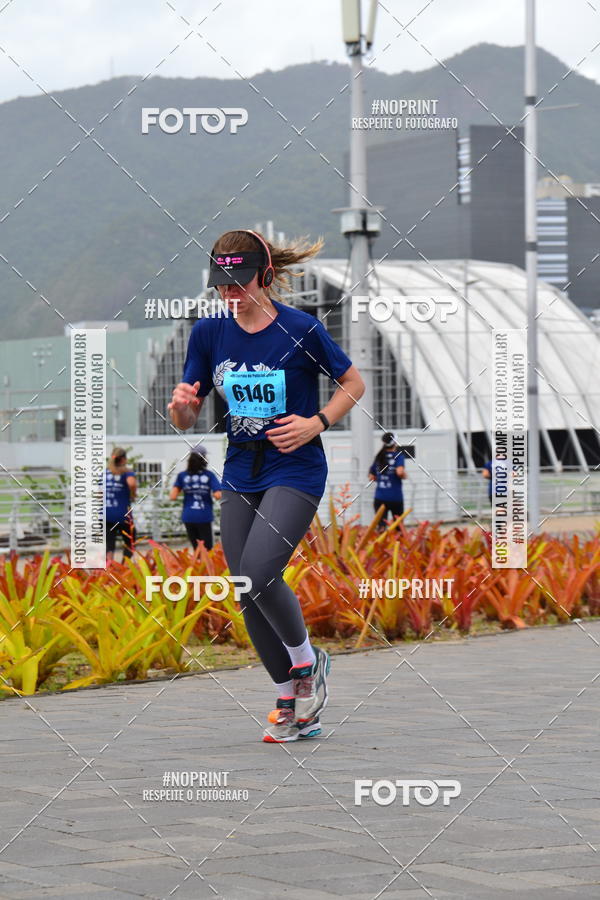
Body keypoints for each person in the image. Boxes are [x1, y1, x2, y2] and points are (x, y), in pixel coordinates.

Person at [168, 228, 365, 742]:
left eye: (240, 282)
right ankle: (290, 698)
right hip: (240, 469)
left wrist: (317, 422)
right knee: (244, 587)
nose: (230, 294)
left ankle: (307, 665)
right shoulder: (208, 334)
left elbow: (353, 383)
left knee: (258, 571)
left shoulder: (301, 329)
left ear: (267, 276)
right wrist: (182, 410)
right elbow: (187, 415)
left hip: (295, 468)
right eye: (221, 284)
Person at [169, 443, 222, 550]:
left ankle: (197, 566)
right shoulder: (209, 475)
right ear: (204, 458)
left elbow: (173, 496)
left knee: (196, 549)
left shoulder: (182, 476)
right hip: (204, 516)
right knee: (207, 550)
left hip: (188, 516)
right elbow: (218, 495)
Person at [105, 448, 137, 561]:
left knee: (109, 544)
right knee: (130, 541)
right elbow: (132, 483)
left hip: (106, 514)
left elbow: (98, 492)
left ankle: (109, 569)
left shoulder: (105, 473)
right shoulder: (126, 472)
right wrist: (133, 493)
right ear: (123, 459)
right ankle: (124, 567)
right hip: (123, 514)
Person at [368, 433, 406, 527]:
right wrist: (405, 476)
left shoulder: (379, 456)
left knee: (381, 527)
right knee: (398, 527)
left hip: (380, 497)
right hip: (395, 497)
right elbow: (400, 472)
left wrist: (381, 478)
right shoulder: (398, 456)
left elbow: (371, 477)